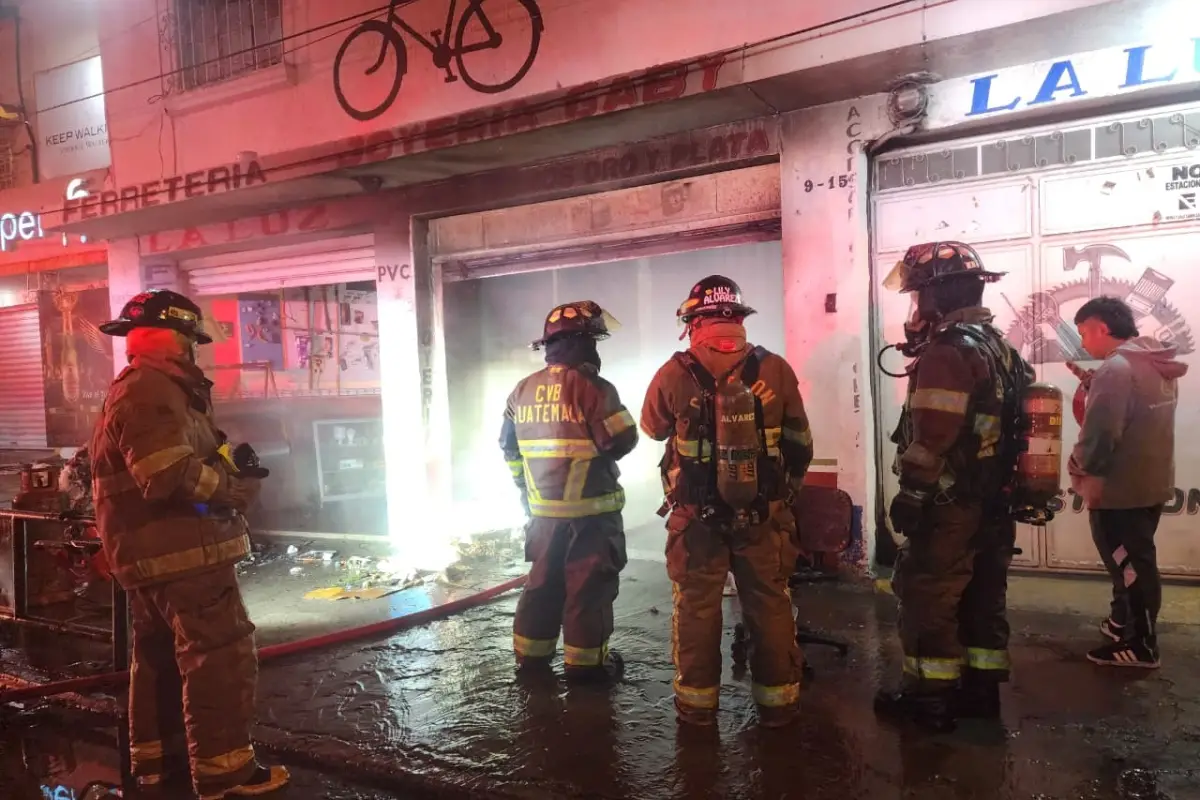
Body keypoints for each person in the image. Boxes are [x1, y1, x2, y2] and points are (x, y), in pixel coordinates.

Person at [90, 289, 288, 798]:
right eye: (191, 338)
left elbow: (172, 462)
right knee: (220, 654)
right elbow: (166, 474)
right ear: (174, 335)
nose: (195, 350)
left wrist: (225, 464)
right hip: (183, 553)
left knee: (157, 658)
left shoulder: (149, 387)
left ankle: (162, 767)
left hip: (153, 553)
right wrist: (233, 489)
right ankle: (227, 774)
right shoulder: (152, 389)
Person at [875, 242, 1034, 732]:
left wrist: (912, 494)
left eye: (916, 297)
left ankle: (930, 699)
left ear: (936, 298)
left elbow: (934, 437)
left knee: (928, 592)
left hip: (951, 503)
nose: (914, 310)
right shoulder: (998, 346)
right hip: (994, 500)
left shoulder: (947, 352)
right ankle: (981, 693)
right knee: (984, 593)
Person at [641, 275, 812, 728]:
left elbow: (653, 428)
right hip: (763, 516)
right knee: (769, 601)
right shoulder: (775, 369)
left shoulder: (673, 371)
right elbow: (799, 443)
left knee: (697, 605)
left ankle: (697, 711)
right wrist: (780, 498)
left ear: (694, 322)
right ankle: (778, 706)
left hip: (696, 520)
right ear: (738, 319)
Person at [499, 300, 638, 681]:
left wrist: (526, 492)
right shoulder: (595, 389)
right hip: (590, 519)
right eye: (593, 341)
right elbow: (621, 441)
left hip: (542, 517)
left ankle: (531, 659)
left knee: (541, 585)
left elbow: (509, 447)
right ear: (582, 343)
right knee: (587, 592)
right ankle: (586, 668)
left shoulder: (522, 390)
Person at [1070, 296, 1186, 668]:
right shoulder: (1156, 364)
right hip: (1149, 484)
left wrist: (1079, 467)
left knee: (1132, 565)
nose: (1084, 343)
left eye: (1085, 333)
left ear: (1101, 328)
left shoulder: (1116, 370)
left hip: (1118, 491)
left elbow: (1100, 436)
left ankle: (1140, 645)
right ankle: (1122, 622)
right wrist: (1095, 388)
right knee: (1135, 559)